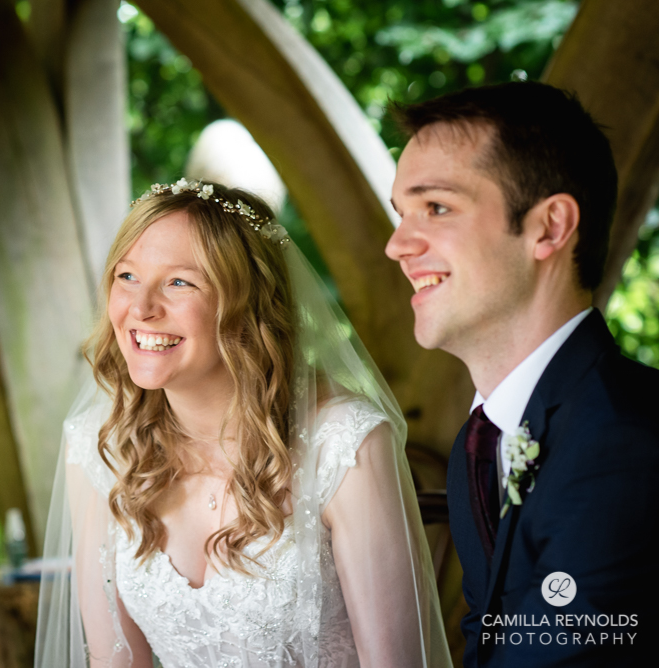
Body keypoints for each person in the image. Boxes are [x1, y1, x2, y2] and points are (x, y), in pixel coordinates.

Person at [34, 179, 451, 667]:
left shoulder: (344, 443)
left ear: (246, 304)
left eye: (179, 282)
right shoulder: (100, 445)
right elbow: (115, 661)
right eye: (126, 276)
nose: (140, 308)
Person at [386, 82, 659, 666]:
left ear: (550, 227)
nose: (397, 245)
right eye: (400, 214)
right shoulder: (480, 443)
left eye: (435, 207)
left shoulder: (624, 443)